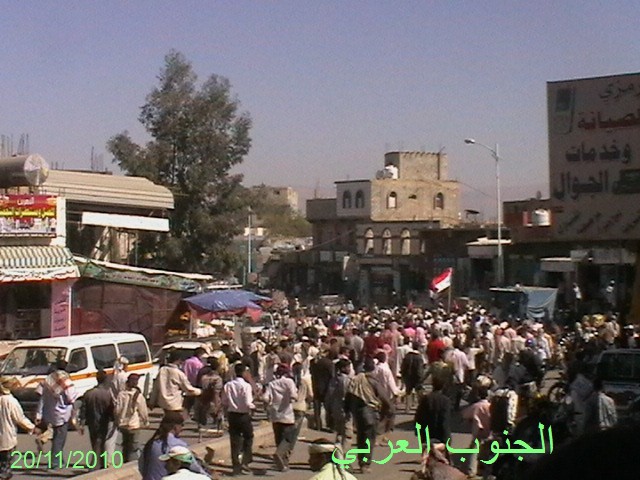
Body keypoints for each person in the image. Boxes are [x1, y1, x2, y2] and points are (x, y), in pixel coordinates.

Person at [345, 356, 391, 474]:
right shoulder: (373, 381)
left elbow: (348, 397)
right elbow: (385, 399)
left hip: (358, 414)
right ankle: (365, 464)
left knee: (361, 438)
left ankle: (361, 462)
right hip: (371, 414)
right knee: (369, 440)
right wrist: (387, 412)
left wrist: (347, 411)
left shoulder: (355, 380)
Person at [139, 412, 207, 480]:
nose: (182, 429)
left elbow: (141, 466)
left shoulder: (151, 443)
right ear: (175, 427)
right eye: (182, 425)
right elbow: (194, 466)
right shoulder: (178, 445)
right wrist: (207, 476)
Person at [35, 360, 77, 469]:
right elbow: (71, 398)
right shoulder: (65, 381)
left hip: (49, 413)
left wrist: (39, 414)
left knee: (56, 437)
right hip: (62, 414)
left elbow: (41, 398)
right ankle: (55, 462)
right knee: (59, 439)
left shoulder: (48, 379)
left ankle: (60, 460)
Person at [263, 363, 298, 472]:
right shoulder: (289, 382)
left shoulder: (271, 384)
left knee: (278, 439)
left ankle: (283, 464)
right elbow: (293, 395)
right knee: (287, 439)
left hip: (275, 414)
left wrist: (269, 404)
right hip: (287, 414)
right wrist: (293, 398)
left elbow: (265, 398)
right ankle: (278, 455)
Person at [221, 363, 255, 476]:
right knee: (248, 437)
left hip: (232, 415)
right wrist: (253, 406)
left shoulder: (228, 385)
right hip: (244, 415)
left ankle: (236, 466)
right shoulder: (246, 386)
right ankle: (246, 460)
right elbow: (248, 402)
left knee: (234, 440)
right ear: (244, 372)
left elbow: (224, 401)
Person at [0, 376, 35, 479]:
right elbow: (20, 419)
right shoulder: (10, 401)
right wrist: (32, 427)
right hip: (6, 438)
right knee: (5, 468)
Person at [80, 369, 114, 468]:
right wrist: (114, 419)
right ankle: (95, 464)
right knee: (100, 442)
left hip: (91, 421)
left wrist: (82, 423)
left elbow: (83, 409)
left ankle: (100, 463)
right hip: (103, 421)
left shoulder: (88, 393)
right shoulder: (107, 394)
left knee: (95, 441)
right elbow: (110, 409)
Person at [150, 350, 202, 415]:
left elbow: (155, 388)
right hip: (174, 404)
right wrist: (201, 391)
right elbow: (189, 389)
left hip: (163, 403)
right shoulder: (178, 373)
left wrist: (152, 401)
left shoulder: (162, 370)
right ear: (178, 360)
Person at [116, 373, 149, 462]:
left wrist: (118, 420)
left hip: (123, 424)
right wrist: (146, 421)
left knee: (125, 445)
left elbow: (117, 410)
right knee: (133, 447)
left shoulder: (121, 394)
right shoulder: (138, 395)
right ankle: (132, 463)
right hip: (133, 425)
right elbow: (143, 410)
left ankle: (125, 462)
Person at [414, 377, 452, 445]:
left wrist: (417, 430)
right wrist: (447, 438)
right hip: (440, 435)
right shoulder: (445, 401)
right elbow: (445, 420)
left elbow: (419, 416)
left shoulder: (426, 399)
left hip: (426, 433)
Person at [182, 348, 207, 414]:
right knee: (196, 402)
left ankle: (185, 414)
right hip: (196, 384)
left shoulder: (186, 361)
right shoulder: (199, 364)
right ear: (200, 354)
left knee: (187, 403)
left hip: (186, 383)